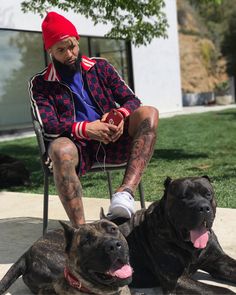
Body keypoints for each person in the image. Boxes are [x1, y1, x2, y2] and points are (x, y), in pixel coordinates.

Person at [29, 11, 159, 228]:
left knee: (149, 113)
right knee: (60, 149)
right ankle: (82, 233)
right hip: (77, 148)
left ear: (77, 41)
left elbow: (131, 100)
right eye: (61, 50)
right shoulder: (40, 83)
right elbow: (48, 126)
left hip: (113, 140)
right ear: (49, 50)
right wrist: (86, 129)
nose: (69, 54)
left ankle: (125, 193)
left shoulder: (101, 67)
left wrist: (119, 117)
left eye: (72, 46)